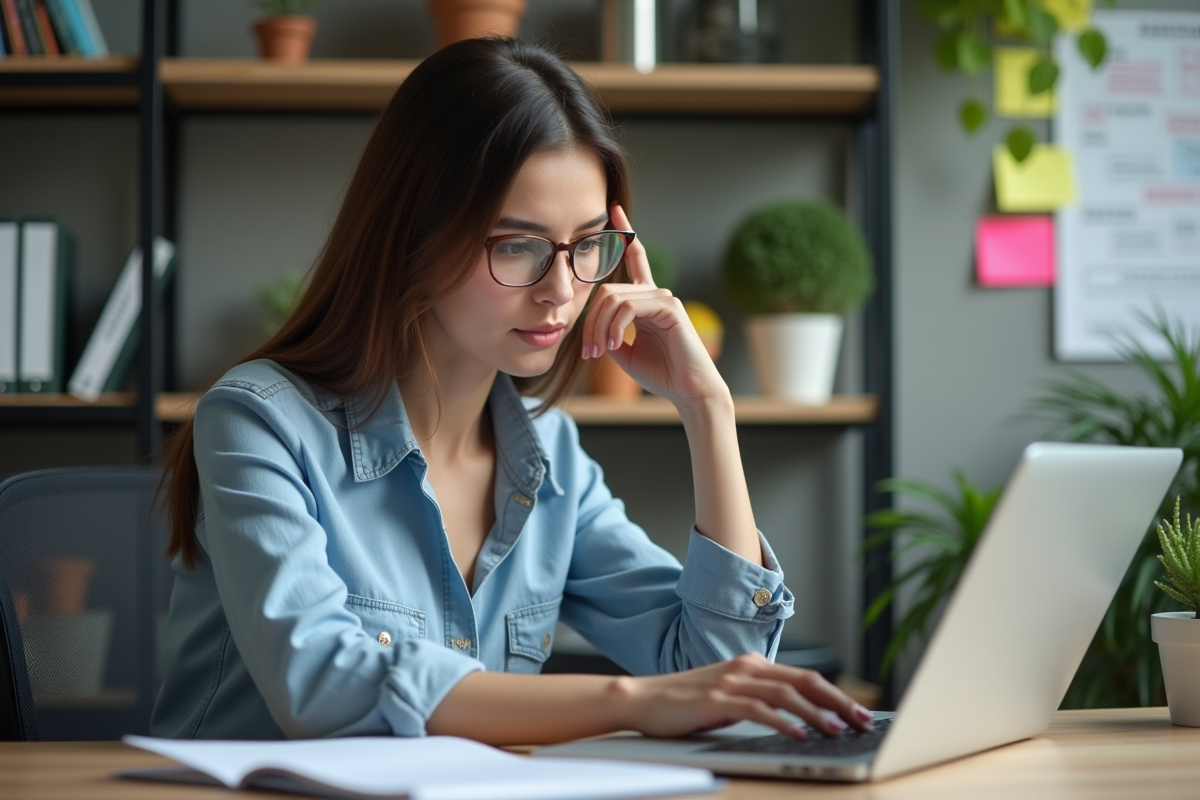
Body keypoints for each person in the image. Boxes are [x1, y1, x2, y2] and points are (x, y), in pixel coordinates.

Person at [153, 37, 873, 745]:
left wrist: (707, 407)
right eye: (517, 245)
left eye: (588, 244)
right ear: (412, 237)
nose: (561, 290)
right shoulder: (258, 421)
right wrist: (629, 701)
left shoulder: (550, 456)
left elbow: (719, 674)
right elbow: (318, 685)